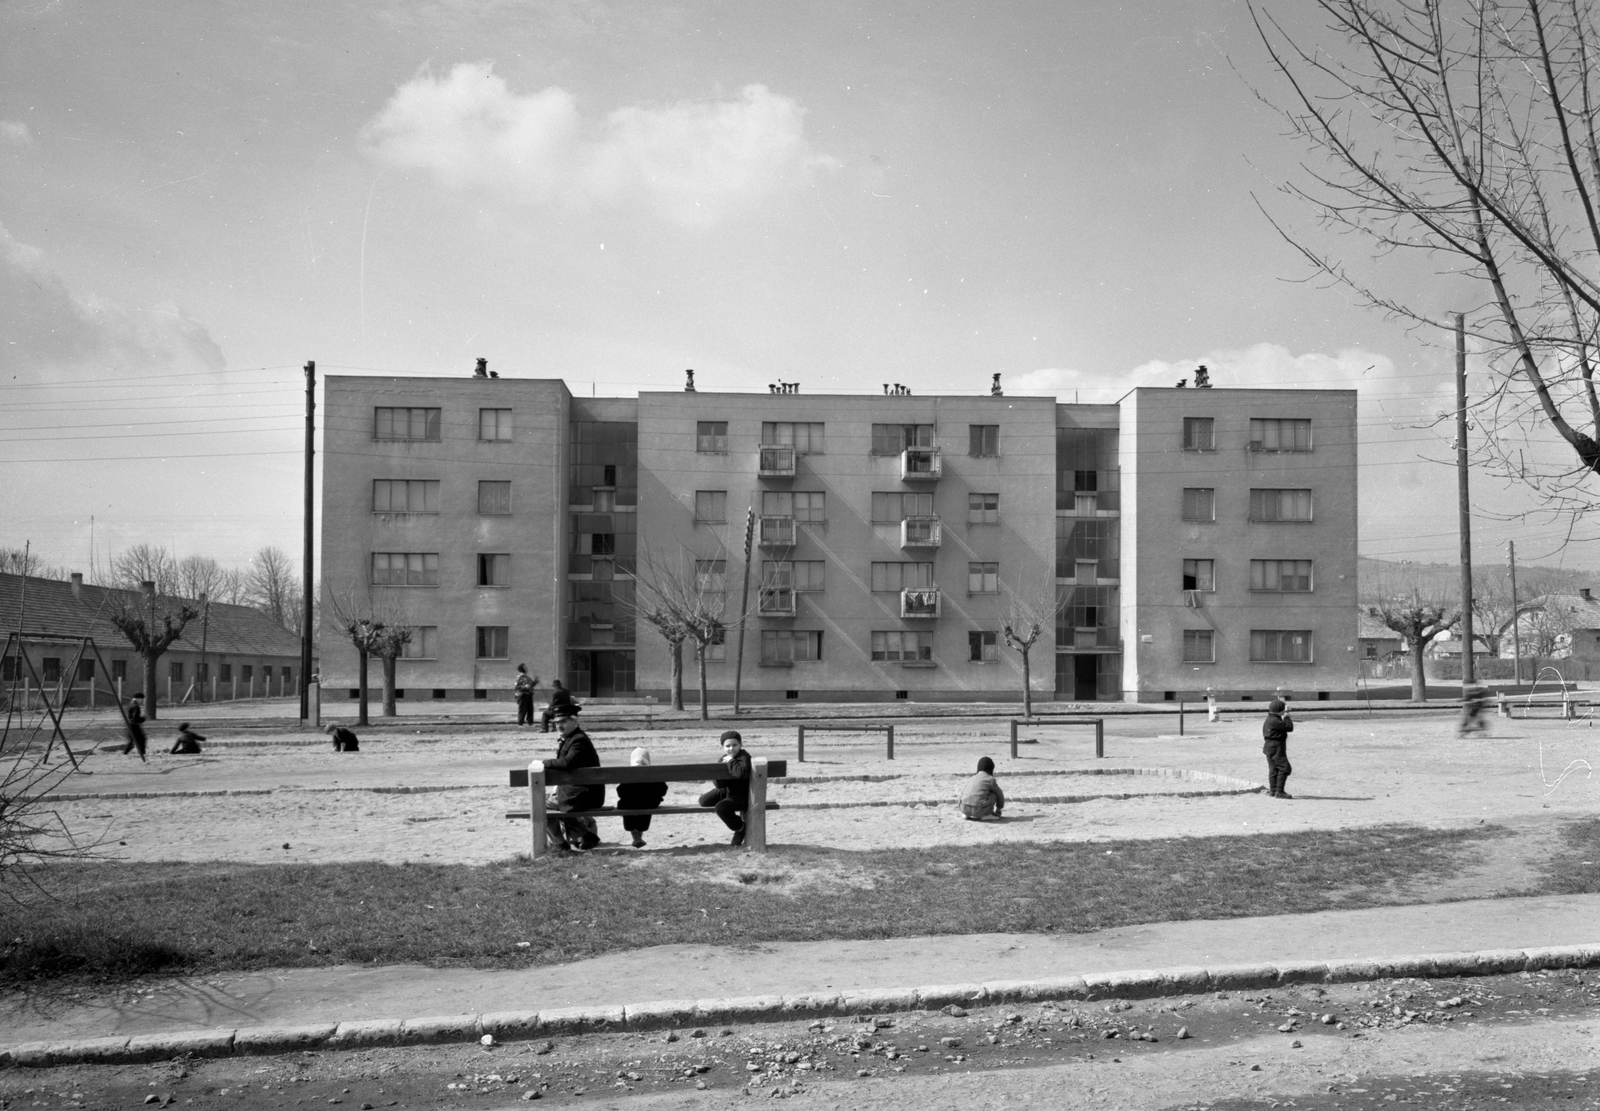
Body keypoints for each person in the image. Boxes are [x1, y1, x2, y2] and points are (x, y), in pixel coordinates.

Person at [545, 709, 602, 851]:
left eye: (563, 721)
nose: (559, 725)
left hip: (584, 794)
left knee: (540, 805)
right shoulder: (573, 738)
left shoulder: (578, 740)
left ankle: (559, 843)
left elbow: (567, 762)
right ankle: (586, 836)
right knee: (558, 802)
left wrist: (543, 763)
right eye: (557, 722)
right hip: (580, 792)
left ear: (575, 722)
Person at [698, 730, 752, 847]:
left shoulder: (744, 756)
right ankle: (737, 823)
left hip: (742, 794)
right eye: (727, 746)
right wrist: (720, 776)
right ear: (722, 747)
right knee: (703, 801)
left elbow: (740, 773)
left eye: (734, 745)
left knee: (721, 807)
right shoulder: (724, 758)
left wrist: (731, 761)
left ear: (741, 745)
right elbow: (719, 784)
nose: (731, 748)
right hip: (727, 790)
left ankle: (740, 828)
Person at [616, 747, 668, 849]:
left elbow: (620, 791)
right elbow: (663, 790)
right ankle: (639, 833)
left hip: (629, 804)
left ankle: (635, 835)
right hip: (649, 803)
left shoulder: (628, 775)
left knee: (625, 804)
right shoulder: (654, 774)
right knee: (647, 804)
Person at [1263, 698, 1294, 798]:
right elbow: (1289, 728)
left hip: (1269, 746)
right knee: (1285, 768)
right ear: (1280, 710)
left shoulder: (1269, 718)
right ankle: (1279, 791)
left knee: (1274, 769)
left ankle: (1273, 790)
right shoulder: (1275, 720)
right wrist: (1287, 717)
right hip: (1276, 746)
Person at [959, 756, 1006, 820]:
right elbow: (999, 793)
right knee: (994, 793)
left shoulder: (972, 778)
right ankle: (986, 815)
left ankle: (966, 814)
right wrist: (999, 808)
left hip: (963, 808)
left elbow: (962, 792)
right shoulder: (990, 779)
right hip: (978, 811)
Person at [121, 692, 148, 762]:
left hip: (128, 724)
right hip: (134, 725)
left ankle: (125, 753)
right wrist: (143, 718)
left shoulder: (130, 704)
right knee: (142, 739)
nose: (142, 700)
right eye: (141, 699)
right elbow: (136, 718)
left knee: (132, 740)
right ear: (138, 698)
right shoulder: (136, 706)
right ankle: (142, 753)